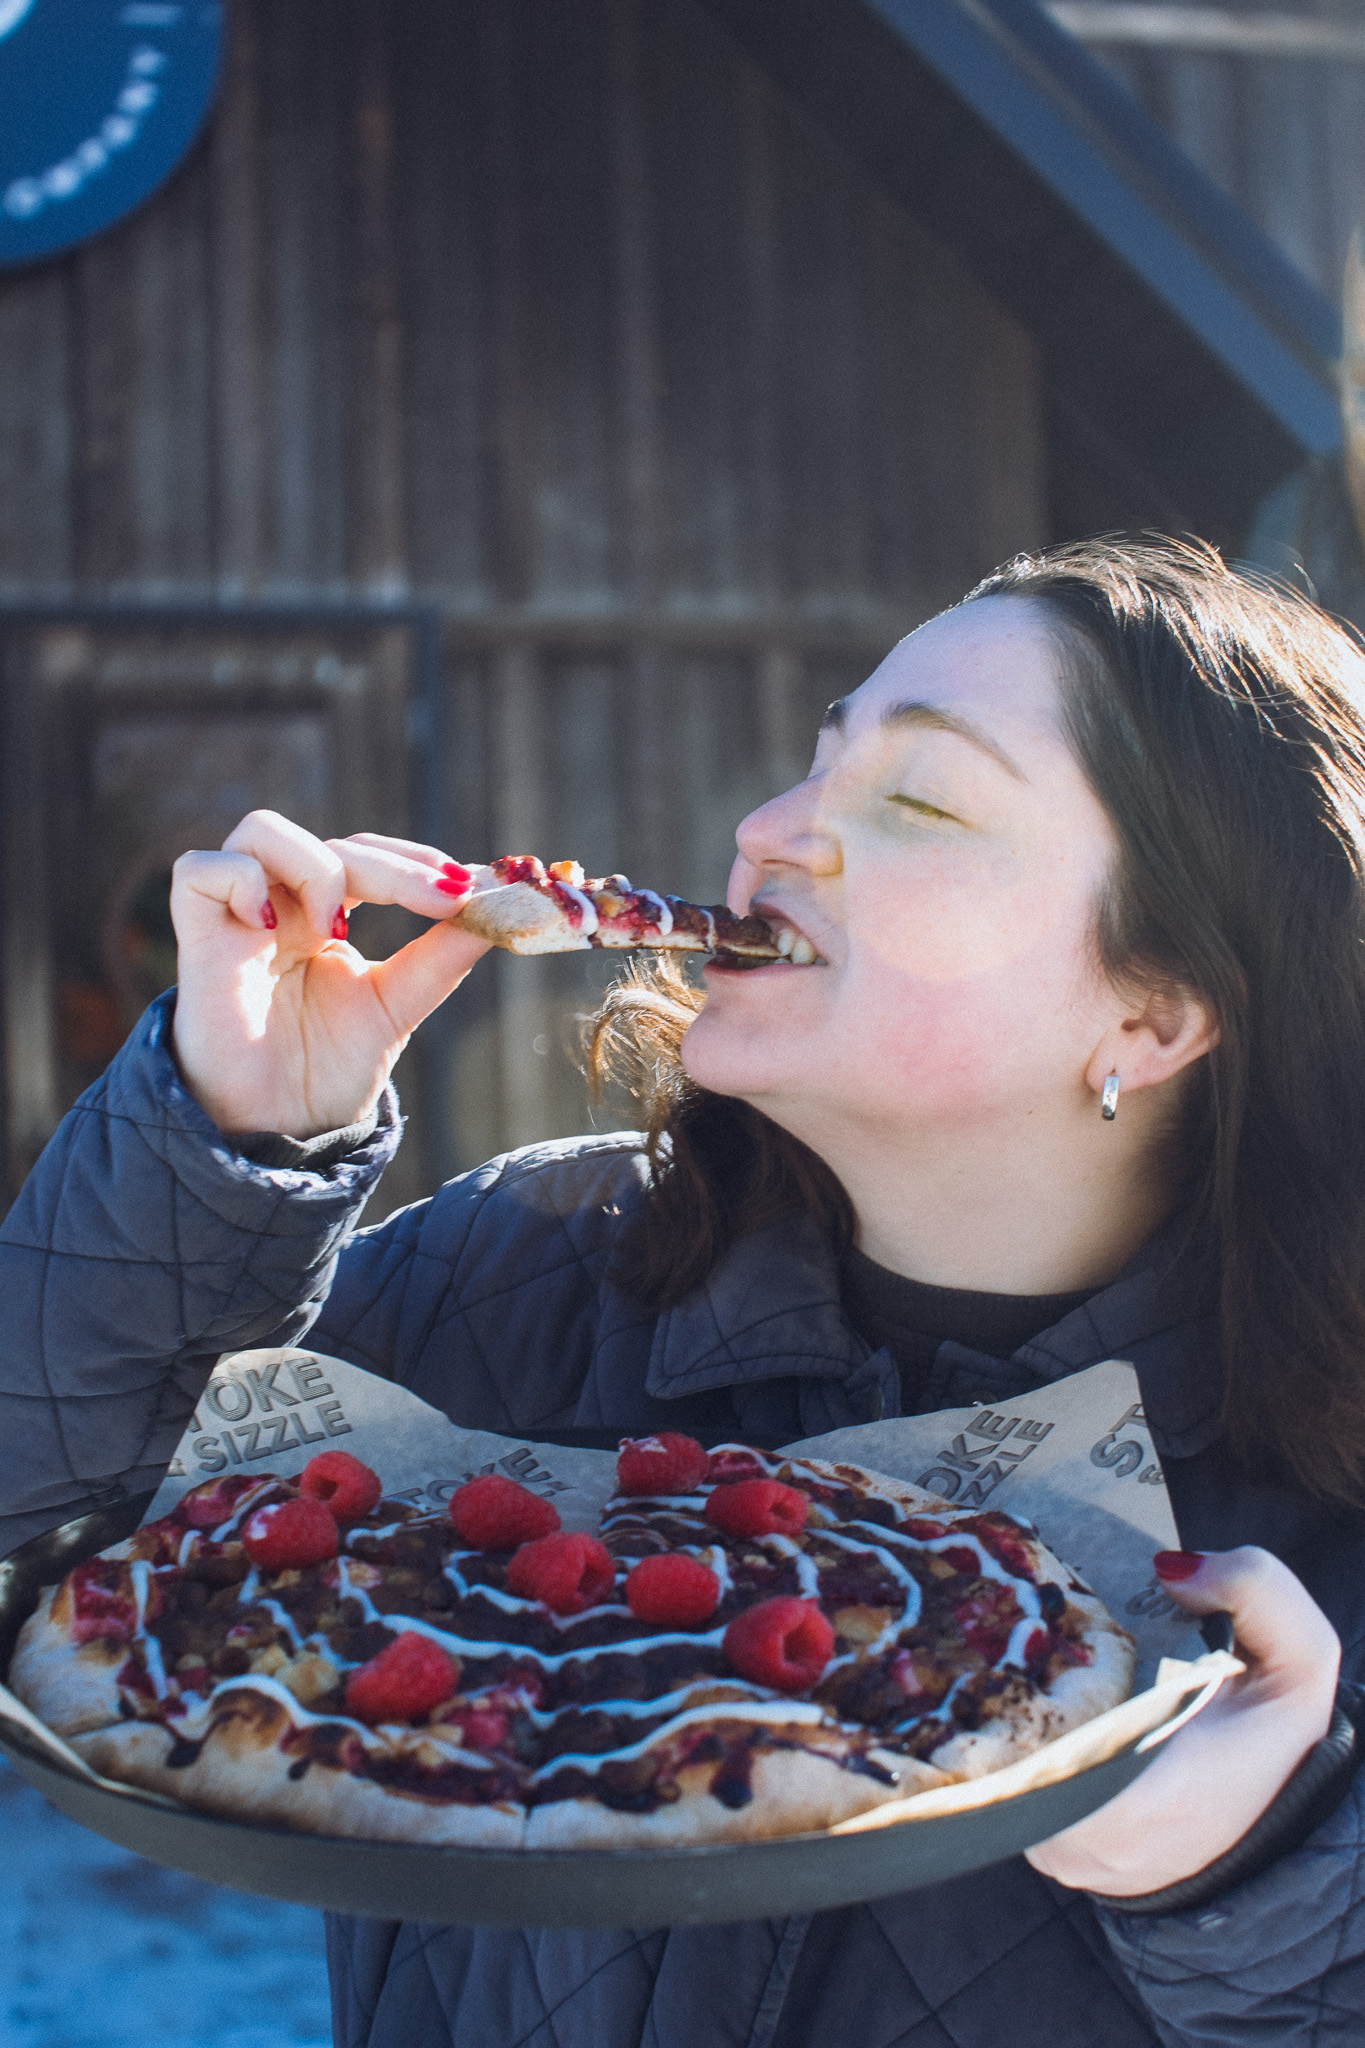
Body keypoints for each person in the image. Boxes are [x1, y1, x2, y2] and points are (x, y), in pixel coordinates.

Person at [2, 536, 1364, 2047]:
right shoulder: (516, 1267)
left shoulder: (1320, 1520)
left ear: (1156, 1011)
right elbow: (50, 1547)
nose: (767, 829)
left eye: (916, 797)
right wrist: (229, 1147)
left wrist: (1262, 1872)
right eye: (814, 762)